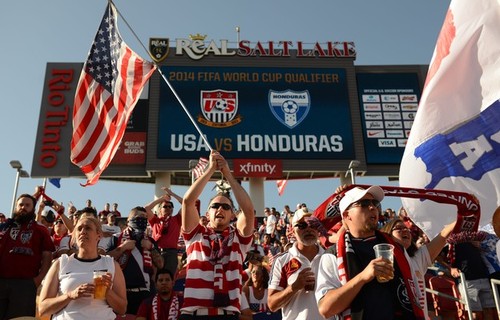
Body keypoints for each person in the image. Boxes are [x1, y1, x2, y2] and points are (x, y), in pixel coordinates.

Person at [316, 186, 426, 320]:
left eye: (375, 204)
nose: (373, 208)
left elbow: (415, 294)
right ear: (346, 215)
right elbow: (326, 308)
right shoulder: (333, 255)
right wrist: (363, 277)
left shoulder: (396, 248)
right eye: (364, 204)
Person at [180, 150, 255, 319]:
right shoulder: (195, 235)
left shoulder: (239, 239)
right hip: (193, 314)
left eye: (226, 207)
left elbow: (249, 211)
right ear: (207, 215)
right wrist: (210, 169)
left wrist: (227, 173)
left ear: (233, 215)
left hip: (227, 313)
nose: (220, 209)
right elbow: (188, 202)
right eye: (214, 206)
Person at [38, 215, 127, 319]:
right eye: (79, 229)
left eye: (88, 228)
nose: (83, 232)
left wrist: (107, 291)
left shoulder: (111, 264)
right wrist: (70, 296)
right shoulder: (61, 263)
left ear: (98, 235)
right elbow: (43, 309)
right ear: (75, 235)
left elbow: (122, 309)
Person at [380, 218, 456, 317]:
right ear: (388, 235)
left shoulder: (417, 258)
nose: (405, 230)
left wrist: (461, 218)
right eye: (398, 228)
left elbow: (444, 234)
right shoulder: (383, 261)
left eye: (406, 228)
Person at [0, 193, 55, 319]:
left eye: (27, 205)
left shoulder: (40, 229)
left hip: (25, 285)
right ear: (16, 207)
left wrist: (38, 279)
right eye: (20, 205)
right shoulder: (4, 227)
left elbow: (47, 256)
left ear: (33, 209)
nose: (23, 207)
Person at [267, 209, 324, 320]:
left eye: (312, 224)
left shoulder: (331, 257)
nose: (308, 229)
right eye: (302, 225)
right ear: (292, 231)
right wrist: (294, 287)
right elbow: (272, 304)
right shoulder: (281, 261)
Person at [107, 206, 164, 315]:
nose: (143, 220)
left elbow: (160, 264)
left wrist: (151, 247)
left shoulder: (150, 240)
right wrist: (123, 248)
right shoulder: (116, 238)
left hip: (146, 293)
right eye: (139, 217)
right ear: (129, 220)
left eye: (145, 217)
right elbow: (106, 260)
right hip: (122, 294)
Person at [145, 188, 184, 277]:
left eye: (170, 207)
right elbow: (146, 209)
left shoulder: (177, 219)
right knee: (155, 278)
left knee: (169, 278)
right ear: (159, 210)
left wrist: (172, 194)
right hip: (156, 252)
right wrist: (162, 199)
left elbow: (185, 203)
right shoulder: (155, 220)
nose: (168, 208)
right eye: (165, 206)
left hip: (171, 253)